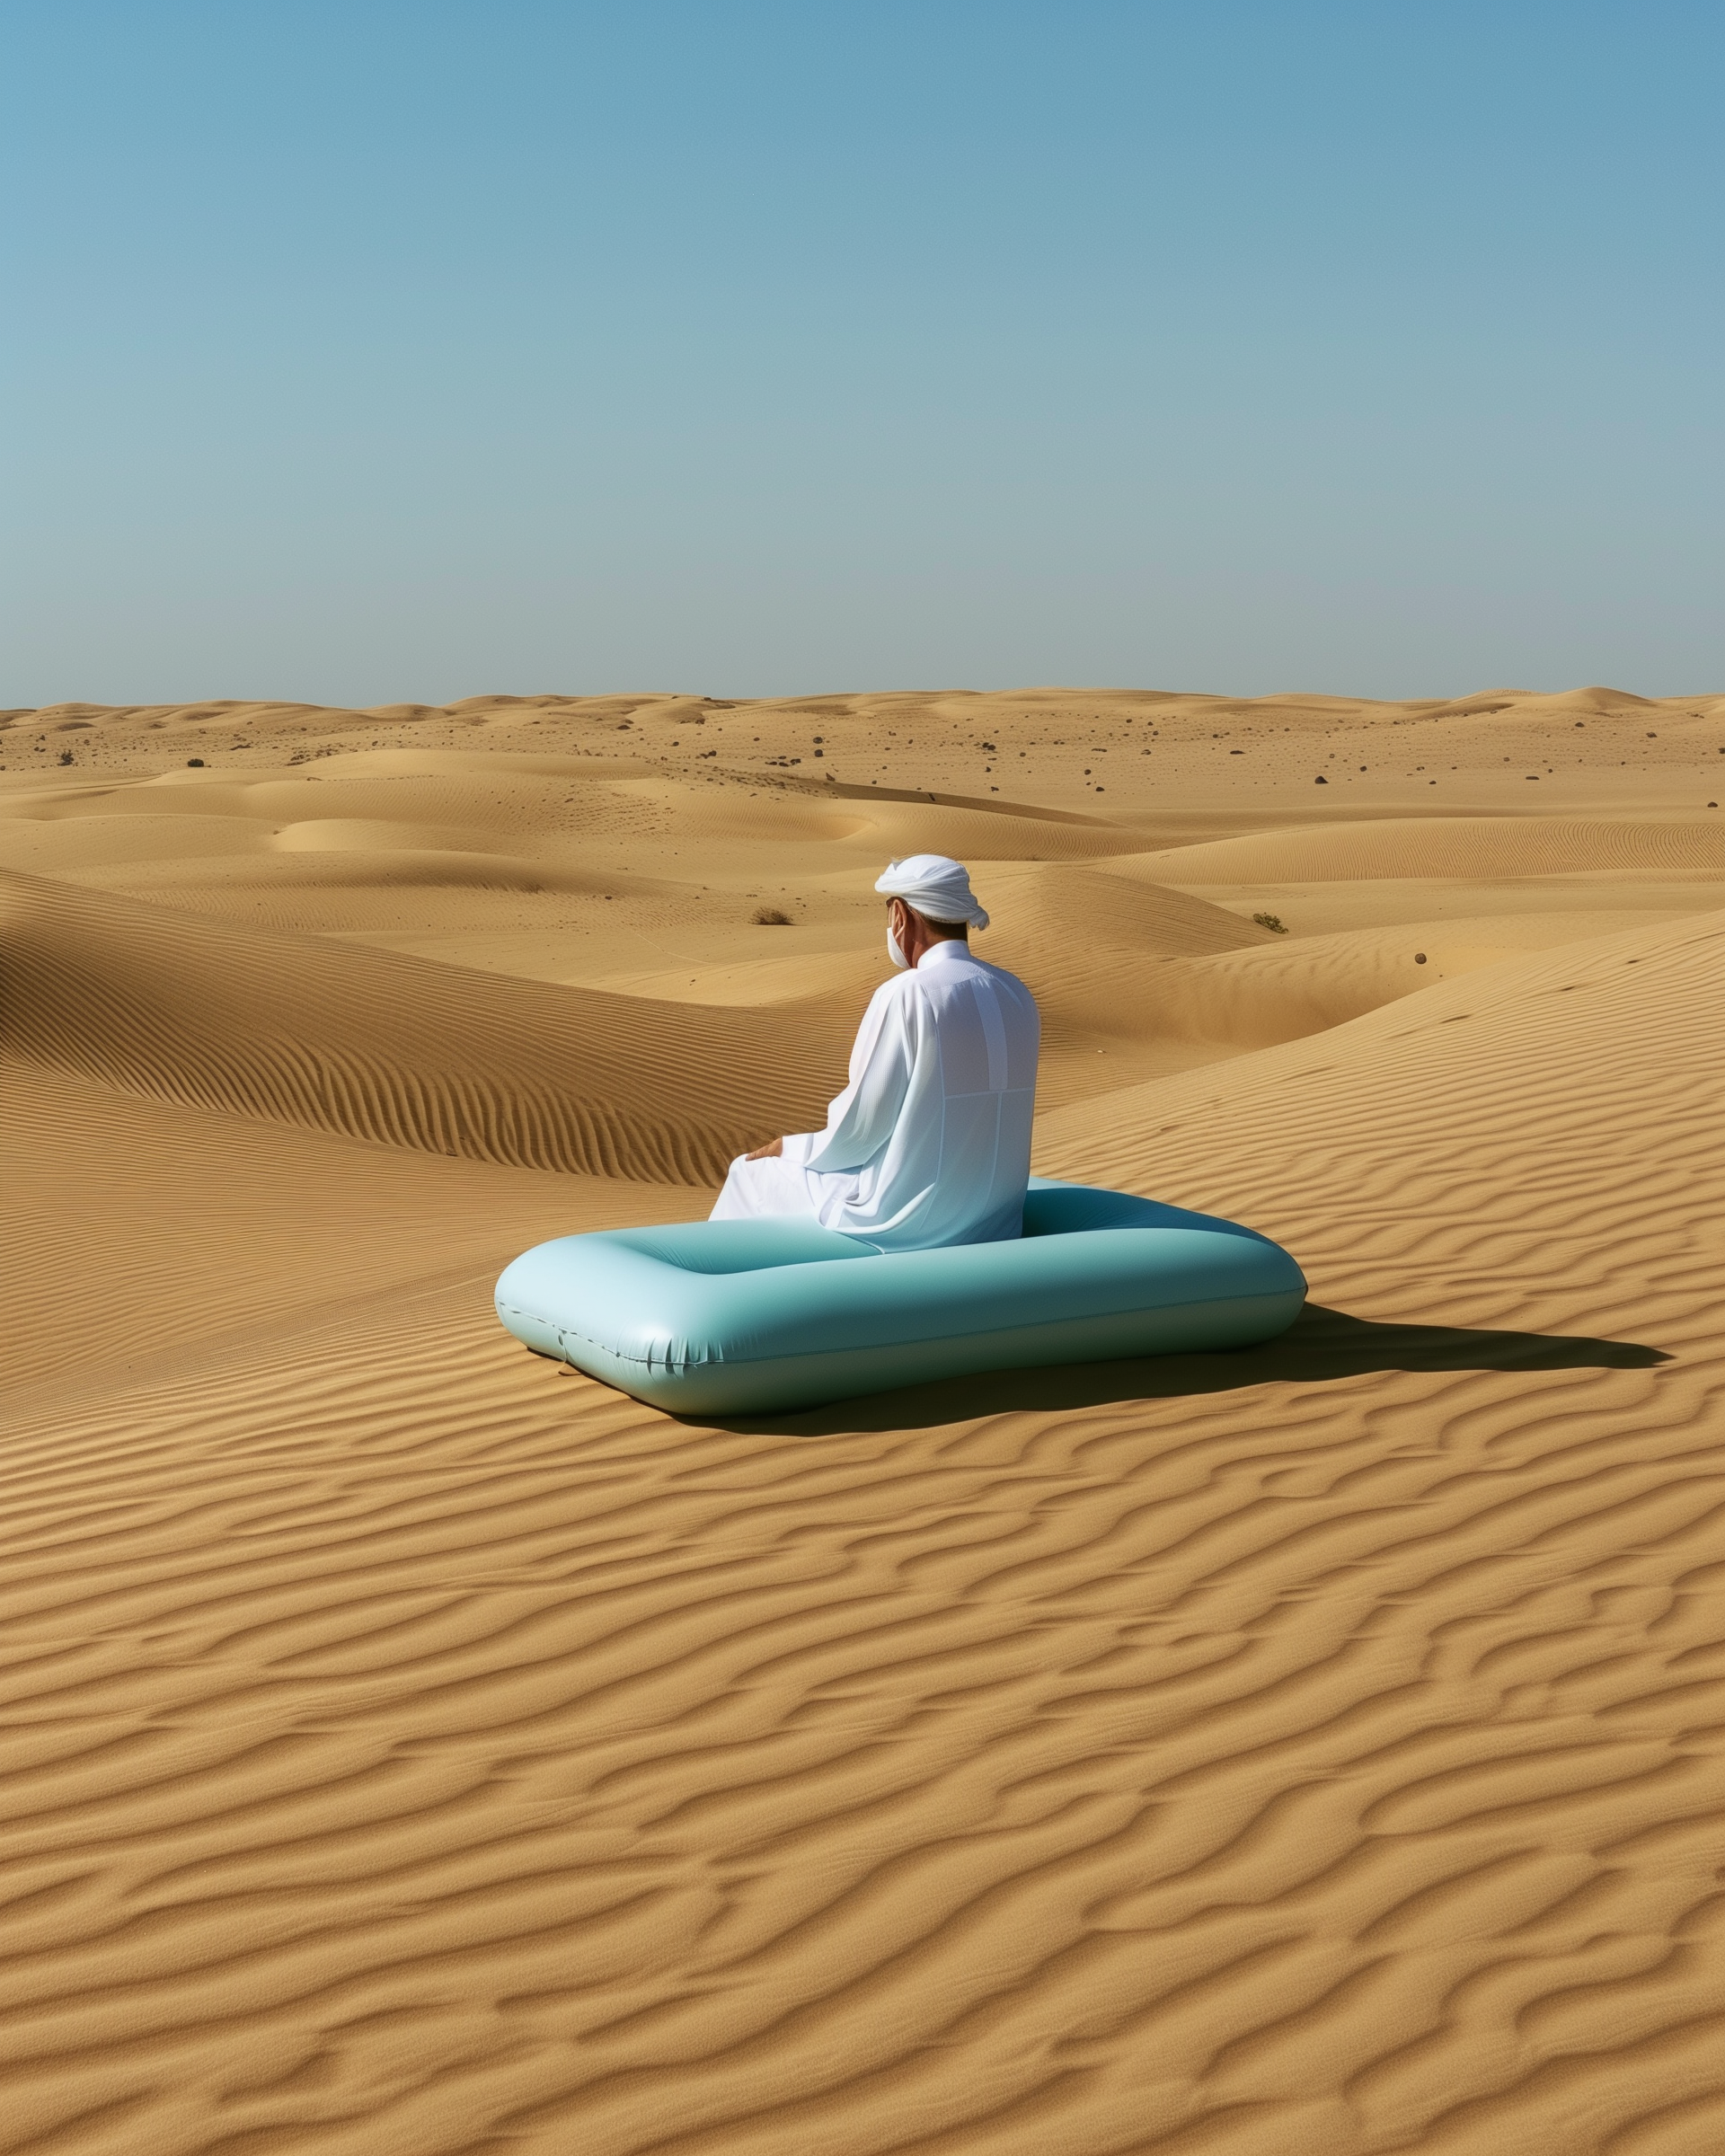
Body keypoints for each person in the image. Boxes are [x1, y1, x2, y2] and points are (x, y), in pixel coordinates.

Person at [711, 853, 1040, 1249]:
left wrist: (790, 1146)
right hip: (998, 1221)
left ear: (900, 916)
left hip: (908, 1221)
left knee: (747, 1173)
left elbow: (860, 1130)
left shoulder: (909, 993)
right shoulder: (1016, 992)